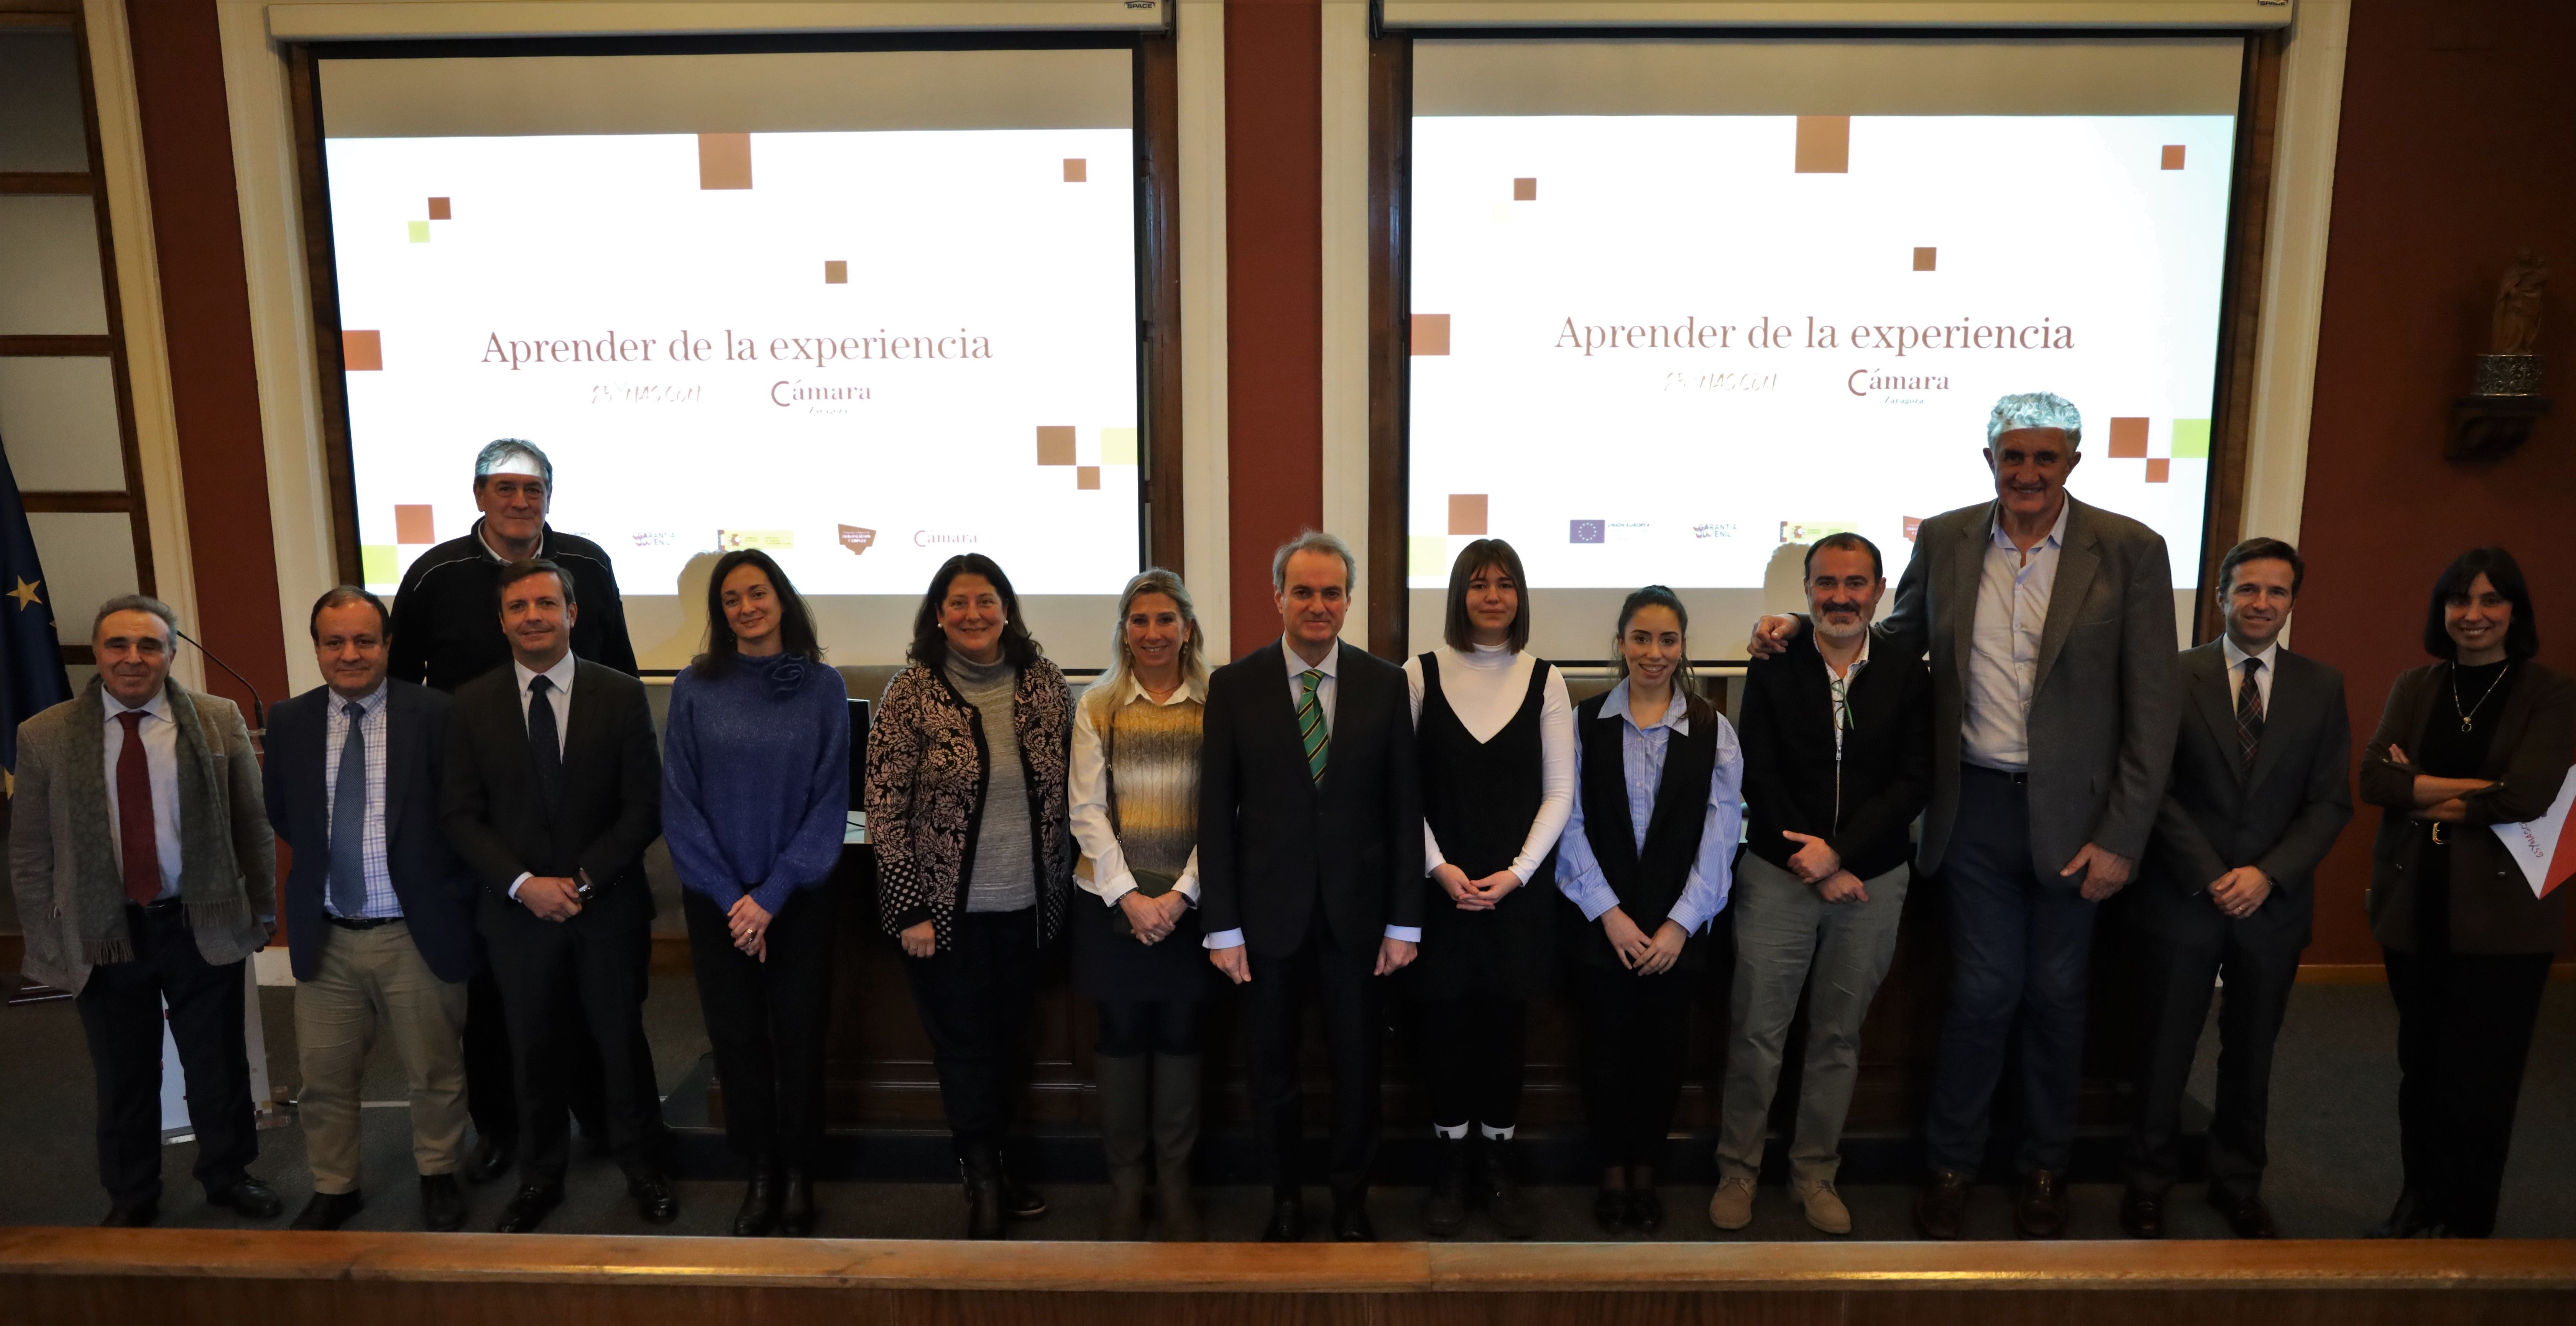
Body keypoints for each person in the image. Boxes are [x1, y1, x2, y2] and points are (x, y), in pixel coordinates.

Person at [1749, 391, 2178, 1240]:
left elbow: (2154, 706)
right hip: (1972, 804)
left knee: (2057, 995)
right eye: (2012, 456)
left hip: (2079, 817)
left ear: (2073, 463)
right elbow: (1894, 632)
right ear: (1990, 461)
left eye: (2044, 458)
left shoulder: (2131, 549)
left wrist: (2122, 836)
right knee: (1982, 991)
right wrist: (1805, 625)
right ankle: (1952, 1165)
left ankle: (2045, 1168)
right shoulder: (1945, 538)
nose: (2026, 472)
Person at [389, 438, 635, 1186]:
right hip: (483, 817)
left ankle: (601, 1118)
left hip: (582, 808)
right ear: (478, 495)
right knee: (496, 992)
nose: (519, 502)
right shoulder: (434, 573)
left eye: (532, 489)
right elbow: (401, 687)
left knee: (598, 994)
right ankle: (504, 1131)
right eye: (504, 488)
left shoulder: (587, 564)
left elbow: (619, 665)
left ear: (549, 497)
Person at [9, 595, 281, 1227]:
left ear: (172, 653)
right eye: (118, 646)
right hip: (103, 934)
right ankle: (132, 1194)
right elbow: (29, 849)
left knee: (219, 1065)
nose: (133, 659)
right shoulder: (44, 734)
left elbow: (252, 824)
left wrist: (262, 910)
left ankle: (228, 1174)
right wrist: (47, 936)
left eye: (149, 646)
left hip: (199, 921)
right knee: (124, 1074)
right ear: (99, 654)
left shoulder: (218, 719)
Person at [2123, 538, 2353, 1241]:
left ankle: (2237, 1182)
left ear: (2291, 602)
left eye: (2276, 592)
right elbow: (2149, 786)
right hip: (2184, 896)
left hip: (2271, 903)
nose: (2261, 604)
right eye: (2247, 590)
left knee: (2252, 1052)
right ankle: (2148, 1183)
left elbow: (2329, 803)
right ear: (2221, 596)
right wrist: (2210, 873)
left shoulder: (2322, 685)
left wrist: (2266, 875)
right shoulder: (2174, 673)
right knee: (2164, 1050)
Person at [1200, 530, 1424, 1243]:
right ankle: (1286, 1199)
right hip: (1265, 922)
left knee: (1358, 1072)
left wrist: (1405, 922)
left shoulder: (1387, 685)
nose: (1318, 605)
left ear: (1349, 601)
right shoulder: (1234, 686)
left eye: (1332, 593)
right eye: (1304, 591)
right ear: (1279, 598)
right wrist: (1223, 925)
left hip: (1359, 923)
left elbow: (1403, 810)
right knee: (1272, 1073)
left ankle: (1352, 1202)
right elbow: (1216, 813)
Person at [440, 558, 672, 1233]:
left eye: (547, 603)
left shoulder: (621, 694)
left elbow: (643, 805)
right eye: (519, 607)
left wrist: (581, 881)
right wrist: (523, 886)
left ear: (573, 613)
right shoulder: (471, 703)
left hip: (608, 908)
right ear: (502, 620)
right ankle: (541, 1178)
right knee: (531, 1050)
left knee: (620, 1043)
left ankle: (643, 1166)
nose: (533, 616)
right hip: (517, 917)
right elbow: (459, 814)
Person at [1712, 534, 1930, 1237]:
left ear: (1880, 589)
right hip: (1778, 875)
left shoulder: (1908, 671)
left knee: (1838, 1038)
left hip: (1870, 882)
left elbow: (1913, 782)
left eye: (1856, 583)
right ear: (1806, 591)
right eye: (1827, 583)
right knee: (1757, 1032)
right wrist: (1807, 857)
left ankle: (1815, 1173)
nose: (1841, 596)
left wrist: (1841, 856)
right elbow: (1758, 772)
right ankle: (1738, 1171)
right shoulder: (1775, 665)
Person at [2358, 547, 2571, 1239]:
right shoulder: (2416, 685)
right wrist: (2481, 792)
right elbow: (2376, 784)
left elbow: (2531, 798)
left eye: (2490, 601)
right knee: (2420, 1066)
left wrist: (2421, 790)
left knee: (2484, 1076)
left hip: (2504, 920)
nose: (2472, 615)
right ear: (2441, 611)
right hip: (2416, 904)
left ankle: (2467, 1216)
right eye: (2459, 601)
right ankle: (2418, 1197)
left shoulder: (2550, 693)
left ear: (2515, 612)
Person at [865, 553, 1075, 1239]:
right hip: (944, 921)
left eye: (986, 601)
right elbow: (885, 809)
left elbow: (1074, 792)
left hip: (1029, 911)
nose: (973, 615)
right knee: (964, 1048)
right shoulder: (910, 692)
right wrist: (910, 908)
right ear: (938, 616)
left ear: (1007, 610)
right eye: (958, 603)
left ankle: (1001, 1163)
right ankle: (981, 1177)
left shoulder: (1044, 685)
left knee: (1010, 1044)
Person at [266, 587, 480, 1232]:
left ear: (388, 646)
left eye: (365, 641)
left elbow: (463, 815)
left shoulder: (438, 714)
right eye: (335, 642)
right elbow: (286, 814)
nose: (350, 654)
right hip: (327, 933)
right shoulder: (290, 720)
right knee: (324, 1079)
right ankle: (336, 1186)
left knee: (435, 1072)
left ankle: (439, 1173)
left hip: (415, 931)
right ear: (318, 650)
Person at [662, 550, 849, 1238]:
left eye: (758, 593)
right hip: (719, 906)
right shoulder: (693, 688)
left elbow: (831, 802)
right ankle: (760, 1172)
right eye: (732, 599)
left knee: (799, 1040)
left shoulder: (823, 687)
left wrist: (769, 895)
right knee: (737, 1041)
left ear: (782, 598)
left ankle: (799, 1173)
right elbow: (679, 804)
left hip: (796, 900)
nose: (747, 607)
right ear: (721, 614)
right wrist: (731, 896)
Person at [1558, 585, 1742, 1234]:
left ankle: (1647, 1175)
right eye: (1641, 638)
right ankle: (1612, 1175)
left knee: (1663, 1059)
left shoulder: (1713, 729)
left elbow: (1722, 837)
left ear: (1683, 646)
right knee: (1605, 1054)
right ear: (1620, 643)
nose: (1654, 653)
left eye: (1667, 640)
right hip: (1600, 929)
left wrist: (1679, 926)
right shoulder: (1582, 724)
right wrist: (1608, 913)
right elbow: (1568, 823)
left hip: (1677, 936)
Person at [1405, 539, 1572, 1240]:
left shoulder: (1547, 679)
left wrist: (1517, 874)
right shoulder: (1420, 674)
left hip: (1516, 896)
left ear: (1520, 595)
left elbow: (1560, 792)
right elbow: (1399, 791)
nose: (1493, 596)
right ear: (1459, 595)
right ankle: (1448, 1171)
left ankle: (1497, 1170)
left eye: (1505, 584)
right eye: (1479, 584)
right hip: (1439, 895)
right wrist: (1439, 868)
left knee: (1505, 1036)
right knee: (1443, 1034)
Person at [1070, 569, 1214, 1241]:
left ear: (1187, 628)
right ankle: (1128, 1189)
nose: (1153, 633)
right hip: (1111, 905)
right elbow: (1087, 811)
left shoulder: (1220, 703)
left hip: (1192, 904)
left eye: (1165, 620)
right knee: (1122, 1039)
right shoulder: (1097, 704)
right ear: (1124, 631)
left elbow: (1226, 814)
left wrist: (1180, 898)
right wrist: (1130, 898)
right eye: (1140, 620)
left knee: (1183, 1039)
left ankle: (1177, 1188)